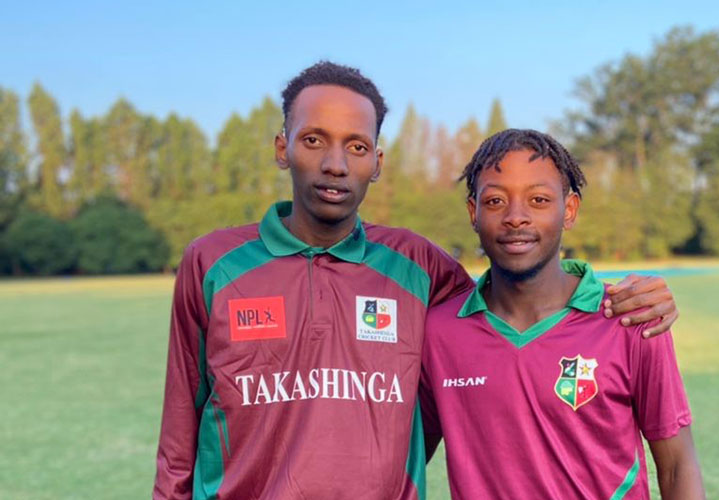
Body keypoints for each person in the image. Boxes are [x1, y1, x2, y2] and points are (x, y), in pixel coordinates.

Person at [154, 62, 682, 499]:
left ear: (377, 161)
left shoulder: (419, 267)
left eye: (357, 147)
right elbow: (179, 437)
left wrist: (627, 296)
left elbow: (519, 287)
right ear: (282, 147)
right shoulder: (213, 264)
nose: (335, 164)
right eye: (314, 140)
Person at [420, 129, 704, 499]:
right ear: (473, 212)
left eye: (538, 200)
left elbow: (677, 464)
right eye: (495, 201)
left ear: (568, 210)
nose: (516, 217)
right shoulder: (440, 333)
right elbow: (399, 460)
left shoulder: (630, 317)